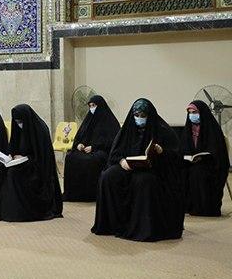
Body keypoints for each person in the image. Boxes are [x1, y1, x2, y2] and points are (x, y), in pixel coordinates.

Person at [92, 98, 183, 242]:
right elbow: (115, 153)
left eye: (143, 116)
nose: (139, 119)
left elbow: (175, 156)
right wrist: (121, 161)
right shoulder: (127, 129)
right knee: (108, 176)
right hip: (128, 167)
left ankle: (142, 228)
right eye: (136, 115)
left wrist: (161, 152)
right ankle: (111, 225)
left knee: (143, 181)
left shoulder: (162, 130)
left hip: (153, 170)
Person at [0, 104, 62, 222]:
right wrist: (10, 155)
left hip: (36, 167)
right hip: (19, 163)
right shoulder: (18, 128)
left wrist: (26, 157)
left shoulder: (40, 130)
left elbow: (43, 158)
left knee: (13, 174)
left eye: (21, 122)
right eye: (16, 122)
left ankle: (16, 213)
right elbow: (13, 145)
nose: (19, 124)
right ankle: (2, 210)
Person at [63, 95, 120, 202]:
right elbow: (79, 136)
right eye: (90, 106)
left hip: (102, 151)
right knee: (70, 157)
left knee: (90, 161)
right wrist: (79, 144)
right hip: (86, 150)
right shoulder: (88, 120)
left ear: (100, 106)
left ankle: (90, 194)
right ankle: (74, 194)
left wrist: (94, 147)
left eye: (94, 105)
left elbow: (112, 141)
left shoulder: (110, 121)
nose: (91, 108)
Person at [181, 100, 230, 217]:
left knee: (198, 173)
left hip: (211, 166)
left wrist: (204, 158)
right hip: (190, 164)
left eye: (194, 112)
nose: (192, 115)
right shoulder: (188, 130)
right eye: (190, 113)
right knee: (181, 172)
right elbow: (183, 149)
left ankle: (205, 208)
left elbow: (219, 153)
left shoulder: (212, 129)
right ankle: (189, 206)